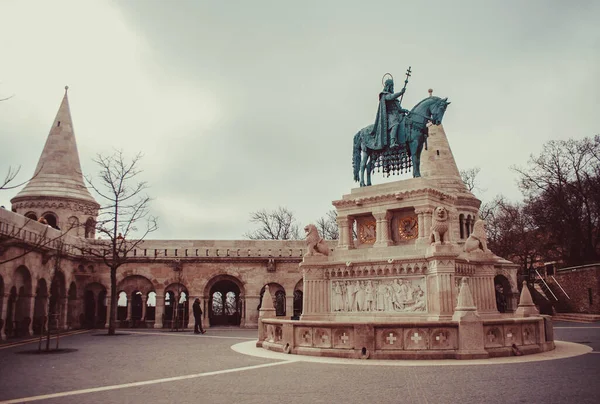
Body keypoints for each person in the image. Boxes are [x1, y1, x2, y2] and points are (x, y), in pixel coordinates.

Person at [372, 78, 409, 149]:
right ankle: (392, 142)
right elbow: (391, 97)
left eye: (393, 86)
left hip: (397, 115)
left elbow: (399, 109)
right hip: (390, 116)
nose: (393, 88)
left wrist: (404, 110)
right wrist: (401, 93)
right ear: (388, 86)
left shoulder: (395, 99)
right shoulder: (385, 95)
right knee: (395, 124)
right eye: (392, 86)